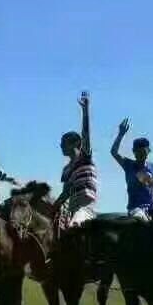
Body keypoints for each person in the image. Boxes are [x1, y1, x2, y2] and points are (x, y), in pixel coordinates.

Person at [54, 92, 98, 232]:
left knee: (75, 225)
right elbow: (65, 193)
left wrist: (85, 111)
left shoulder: (85, 157)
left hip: (86, 207)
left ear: (75, 143)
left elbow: (86, 134)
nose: (61, 146)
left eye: (64, 143)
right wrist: (51, 208)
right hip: (72, 207)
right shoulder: (66, 170)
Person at [110, 118, 153, 220]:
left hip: (152, 208)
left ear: (148, 151)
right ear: (134, 151)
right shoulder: (129, 164)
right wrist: (121, 134)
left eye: (144, 151)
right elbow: (114, 152)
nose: (141, 154)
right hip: (136, 208)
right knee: (141, 219)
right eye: (138, 152)